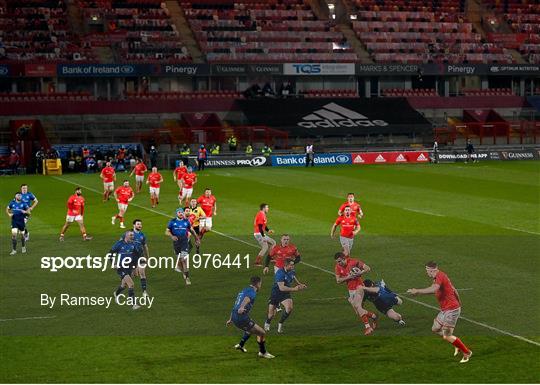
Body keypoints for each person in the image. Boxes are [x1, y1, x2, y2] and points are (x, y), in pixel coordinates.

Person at [407, 261, 472, 363]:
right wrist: (459, 302)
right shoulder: (439, 277)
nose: (426, 273)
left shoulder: (440, 276)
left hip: (451, 310)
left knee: (447, 335)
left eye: (427, 270)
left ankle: (467, 352)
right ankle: (456, 344)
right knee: (435, 328)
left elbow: (434, 289)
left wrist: (418, 291)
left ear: (431, 270)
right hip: (446, 310)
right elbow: (453, 289)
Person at [226, 276, 275, 359]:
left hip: (234, 316)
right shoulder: (252, 292)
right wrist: (242, 307)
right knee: (262, 333)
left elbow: (236, 305)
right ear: (258, 284)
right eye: (261, 284)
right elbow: (246, 299)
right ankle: (262, 352)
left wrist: (231, 319)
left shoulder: (244, 290)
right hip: (241, 318)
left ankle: (240, 345)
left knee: (250, 329)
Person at [334, 252, 376, 335]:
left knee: (358, 307)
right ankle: (373, 316)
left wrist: (360, 273)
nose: (338, 263)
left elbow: (368, 268)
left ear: (344, 258)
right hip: (351, 290)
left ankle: (368, 327)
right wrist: (349, 277)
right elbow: (338, 280)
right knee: (358, 312)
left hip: (360, 287)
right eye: (337, 262)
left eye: (339, 261)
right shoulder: (337, 267)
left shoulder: (354, 262)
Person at [264, 258, 307, 333]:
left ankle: (280, 323)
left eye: (293, 265)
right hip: (276, 294)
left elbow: (293, 277)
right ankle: (268, 322)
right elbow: (281, 288)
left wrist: (300, 284)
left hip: (285, 294)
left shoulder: (292, 271)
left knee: (289, 308)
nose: (293, 266)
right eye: (291, 265)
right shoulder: (280, 273)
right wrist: (294, 289)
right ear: (286, 265)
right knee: (271, 314)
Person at [166, 208, 199, 286]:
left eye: (182, 212)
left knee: (184, 260)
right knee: (180, 260)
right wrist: (172, 236)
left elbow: (192, 230)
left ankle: (187, 278)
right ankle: (184, 273)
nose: (181, 213)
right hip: (176, 243)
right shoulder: (172, 221)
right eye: (179, 212)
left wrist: (197, 238)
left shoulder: (186, 221)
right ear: (176, 213)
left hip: (184, 242)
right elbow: (167, 231)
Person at [111, 231, 143, 310]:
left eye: (133, 235)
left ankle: (116, 293)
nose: (133, 236)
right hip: (121, 267)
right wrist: (113, 263)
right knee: (131, 284)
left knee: (123, 285)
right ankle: (133, 304)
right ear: (126, 236)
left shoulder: (133, 245)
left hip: (129, 267)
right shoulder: (119, 244)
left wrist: (135, 268)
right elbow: (110, 253)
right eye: (131, 235)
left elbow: (136, 257)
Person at [130, 219, 149, 297]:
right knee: (134, 274)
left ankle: (144, 291)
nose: (140, 225)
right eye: (138, 224)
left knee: (142, 273)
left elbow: (145, 246)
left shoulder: (142, 235)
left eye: (140, 224)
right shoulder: (129, 234)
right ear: (134, 225)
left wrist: (147, 257)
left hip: (140, 256)